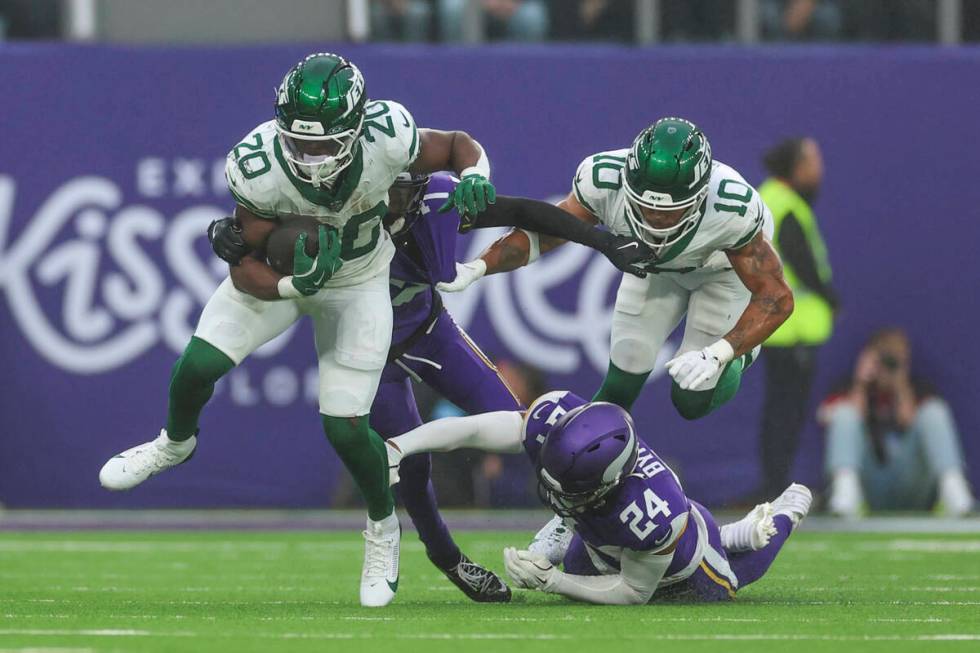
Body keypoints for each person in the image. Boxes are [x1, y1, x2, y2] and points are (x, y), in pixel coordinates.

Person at [97, 52, 499, 608]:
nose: (311, 157)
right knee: (197, 365)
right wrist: (293, 287)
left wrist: (476, 172)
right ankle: (175, 442)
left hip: (360, 282)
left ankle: (383, 528)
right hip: (290, 278)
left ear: (359, 127)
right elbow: (245, 264)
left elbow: (456, 144)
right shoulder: (258, 163)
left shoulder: (390, 133)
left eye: (323, 144)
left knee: (344, 426)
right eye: (299, 143)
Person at [440, 117, 794, 421]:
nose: (654, 218)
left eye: (670, 212)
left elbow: (777, 297)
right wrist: (479, 266)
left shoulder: (732, 208)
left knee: (691, 399)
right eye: (644, 206)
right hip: (654, 269)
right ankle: (582, 476)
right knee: (620, 383)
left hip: (722, 274)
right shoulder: (603, 179)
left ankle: (740, 360)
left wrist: (723, 352)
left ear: (700, 196)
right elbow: (548, 232)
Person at [385, 391, 813, 604]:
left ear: (610, 482)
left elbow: (632, 591)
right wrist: (404, 444)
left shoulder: (651, 511)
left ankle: (785, 514)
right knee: (577, 559)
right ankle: (736, 533)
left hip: (683, 561)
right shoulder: (556, 416)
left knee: (732, 580)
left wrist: (552, 582)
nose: (552, 491)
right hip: (606, 536)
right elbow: (473, 430)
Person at [754, 137, 838, 500]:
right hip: (793, 329)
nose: (819, 169)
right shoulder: (786, 205)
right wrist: (831, 297)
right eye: (814, 161)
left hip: (776, 327)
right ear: (797, 166)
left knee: (778, 410)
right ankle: (776, 487)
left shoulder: (767, 198)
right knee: (785, 413)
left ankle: (774, 484)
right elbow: (800, 262)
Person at [823, 328, 975, 518]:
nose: (889, 365)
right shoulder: (849, 386)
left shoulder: (918, 386)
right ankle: (845, 496)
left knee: (934, 411)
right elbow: (828, 418)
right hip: (870, 481)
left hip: (910, 479)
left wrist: (900, 384)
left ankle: (955, 492)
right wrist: (861, 382)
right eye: (884, 357)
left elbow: (907, 418)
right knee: (844, 412)